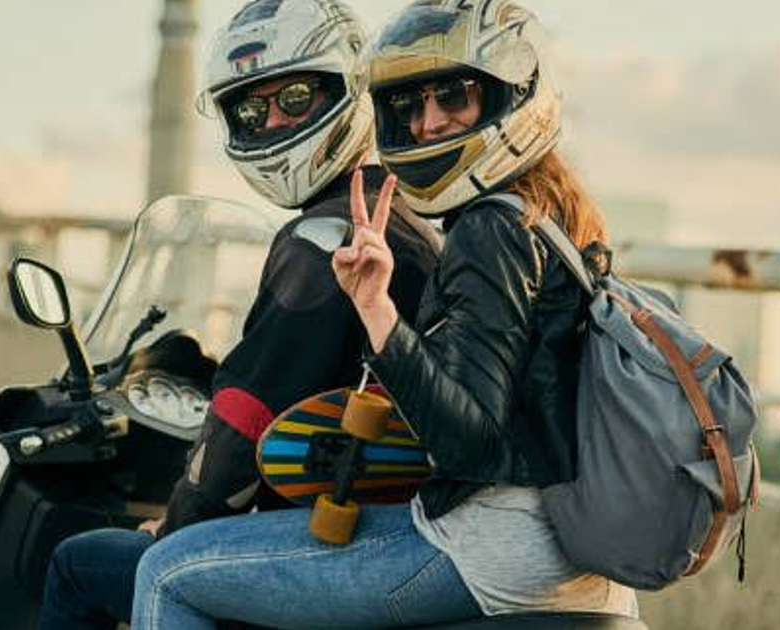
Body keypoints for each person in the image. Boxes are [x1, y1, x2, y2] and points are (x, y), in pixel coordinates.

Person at [129, 1, 639, 629]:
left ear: (511, 93)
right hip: (566, 546)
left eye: (454, 95)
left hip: (489, 549)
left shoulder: (489, 231)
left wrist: (377, 313)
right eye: (410, 103)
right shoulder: (553, 218)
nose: (428, 123)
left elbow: (468, 439)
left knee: (166, 573)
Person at [38, 1, 439, 628]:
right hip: (393, 522)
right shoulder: (404, 220)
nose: (275, 120)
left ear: (349, 87)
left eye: (297, 96)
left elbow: (244, 420)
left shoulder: (323, 241)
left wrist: (178, 524)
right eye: (252, 109)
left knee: (77, 562)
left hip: (340, 537)